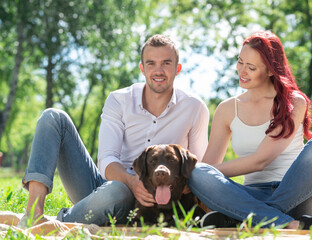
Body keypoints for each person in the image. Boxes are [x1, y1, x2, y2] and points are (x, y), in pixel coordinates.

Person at [20, 34, 209, 227]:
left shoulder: (195, 108)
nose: (158, 70)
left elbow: (199, 168)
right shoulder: (119, 100)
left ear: (177, 69)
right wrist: (132, 182)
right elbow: (107, 159)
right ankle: (34, 213)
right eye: (151, 63)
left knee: (117, 192)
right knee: (53, 118)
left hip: (153, 200)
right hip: (105, 187)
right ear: (142, 68)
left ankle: (55, 223)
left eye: (166, 63)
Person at [188, 31, 312, 230]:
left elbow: (261, 160)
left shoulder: (293, 102)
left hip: (300, 197)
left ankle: (245, 218)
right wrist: (197, 172)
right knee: (198, 171)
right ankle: (282, 222)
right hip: (251, 195)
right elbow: (209, 166)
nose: (242, 71)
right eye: (240, 62)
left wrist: (198, 171)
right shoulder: (227, 109)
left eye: (251, 67)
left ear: (270, 70)